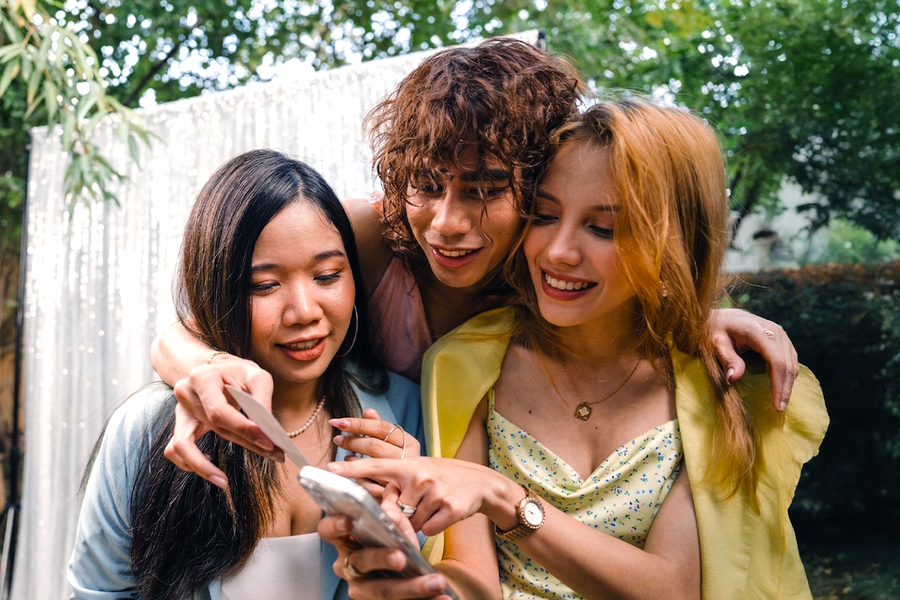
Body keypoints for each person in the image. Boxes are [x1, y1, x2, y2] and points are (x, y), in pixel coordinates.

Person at [152, 38, 799, 489]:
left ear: (536, 185)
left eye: (485, 190)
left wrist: (707, 316)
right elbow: (185, 328)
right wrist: (209, 371)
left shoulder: (552, 279)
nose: (447, 222)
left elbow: (636, 291)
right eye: (427, 184)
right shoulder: (367, 237)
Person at [321, 99, 828, 600]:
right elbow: (472, 578)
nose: (559, 252)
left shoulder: (724, 381)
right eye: (543, 216)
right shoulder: (467, 364)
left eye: (603, 228)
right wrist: (411, 580)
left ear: (673, 239)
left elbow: (673, 589)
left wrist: (506, 498)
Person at [67, 149, 424, 600]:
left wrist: (406, 529)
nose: (303, 312)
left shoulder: (403, 414)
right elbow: (98, 593)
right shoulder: (145, 428)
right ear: (217, 288)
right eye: (264, 285)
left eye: (328, 275)